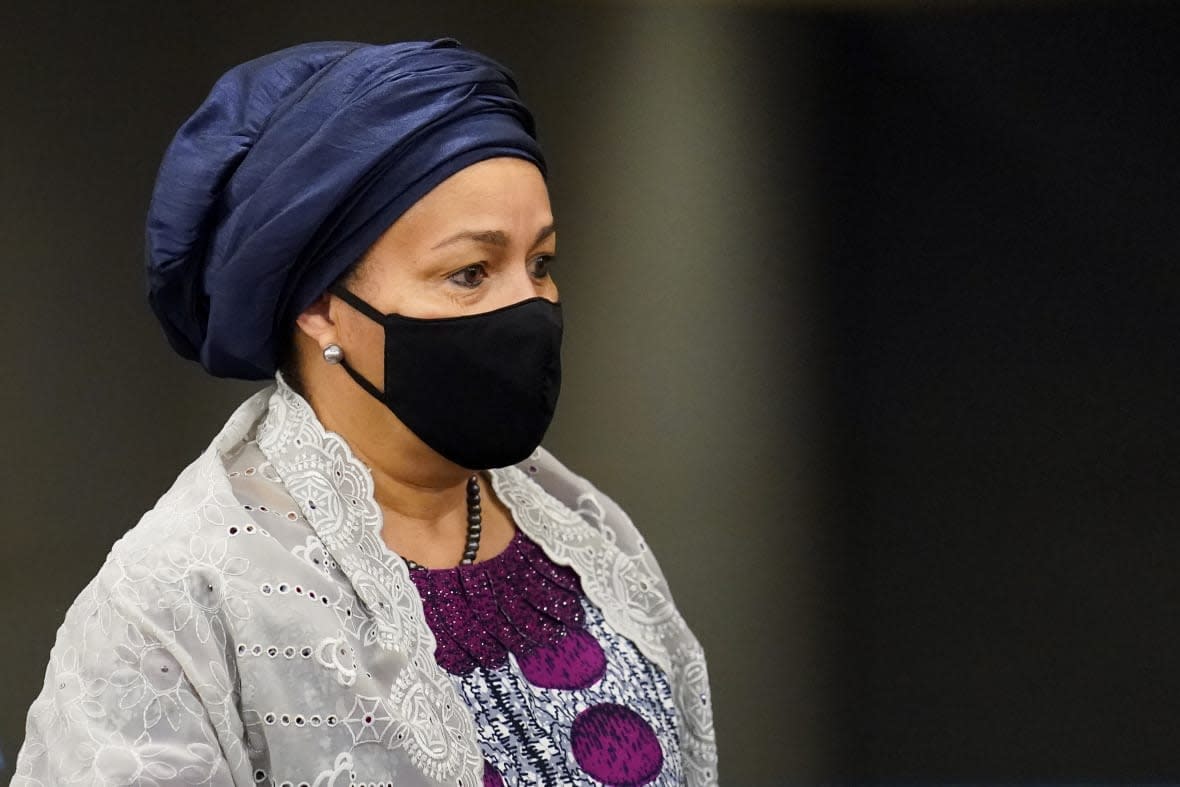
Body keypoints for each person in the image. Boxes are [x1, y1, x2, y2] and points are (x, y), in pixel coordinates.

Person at [13, 39, 716, 786]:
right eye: (470, 272)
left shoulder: (581, 533)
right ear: (320, 307)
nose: (527, 306)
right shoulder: (185, 598)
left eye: (539, 263)